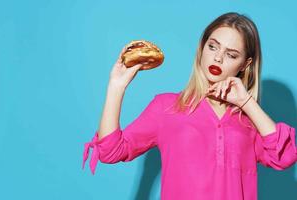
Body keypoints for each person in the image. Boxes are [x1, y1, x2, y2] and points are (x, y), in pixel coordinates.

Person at [82, 12, 297, 200]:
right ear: (202, 47)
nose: (218, 58)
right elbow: (110, 151)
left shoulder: (249, 121)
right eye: (213, 46)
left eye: (231, 55)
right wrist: (116, 86)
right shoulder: (166, 107)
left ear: (245, 64)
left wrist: (246, 102)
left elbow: (284, 156)